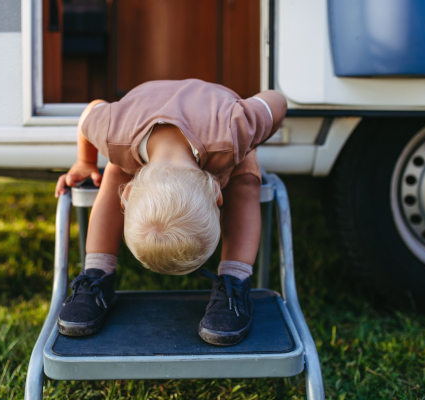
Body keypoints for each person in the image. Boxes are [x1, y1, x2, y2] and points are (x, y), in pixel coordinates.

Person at [54, 79, 287, 346]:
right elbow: (91, 113)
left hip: (223, 133)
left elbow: (276, 101)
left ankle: (235, 280)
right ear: (127, 194)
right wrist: (85, 162)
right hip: (141, 122)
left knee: (245, 181)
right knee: (114, 169)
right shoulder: (112, 133)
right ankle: (96, 275)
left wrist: (256, 134)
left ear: (217, 192)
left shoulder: (238, 128)